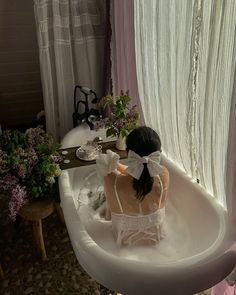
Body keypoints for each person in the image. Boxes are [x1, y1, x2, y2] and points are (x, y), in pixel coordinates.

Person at [96, 126, 169, 246]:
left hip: (124, 242)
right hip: (156, 239)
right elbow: (142, 172)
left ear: (127, 153)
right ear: (157, 153)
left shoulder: (114, 182)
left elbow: (109, 212)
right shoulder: (164, 175)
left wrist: (111, 166)